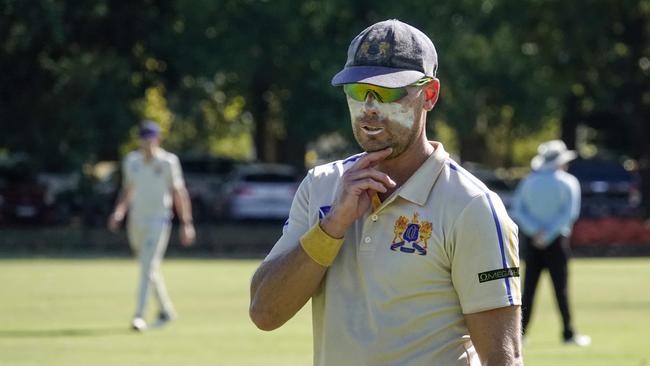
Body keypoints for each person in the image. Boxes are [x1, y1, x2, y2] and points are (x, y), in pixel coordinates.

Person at [249, 19, 522, 365]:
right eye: (358, 91)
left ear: (430, 95)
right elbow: (265, 313)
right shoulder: (321, 185)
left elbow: (504, 358)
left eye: (389, 91)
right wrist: (333, 225)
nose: (370, 108)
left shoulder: (472, 206)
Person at [108, 120, 195, 332]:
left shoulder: (168, 162)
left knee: (147, 266)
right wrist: (119, 212)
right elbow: (128, 190)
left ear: (157, 139)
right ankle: (166, 310)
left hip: (159, 220)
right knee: (149, 267)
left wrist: (186, 223)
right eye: (144, 138)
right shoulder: (132, 161)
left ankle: (139, 315)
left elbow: (179, 193)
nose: (147, 143)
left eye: (151, 138)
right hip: (136, 221)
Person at [511, 140, 591, 346]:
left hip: (532, 242)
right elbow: (569, 214)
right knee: (561, 290)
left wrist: (535, 232)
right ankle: (568, 333)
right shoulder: (568, 182)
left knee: (528, 290)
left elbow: (518, 210)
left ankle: (521, 334)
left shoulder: (529, 181)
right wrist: (548, 234)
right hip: (557, 243)